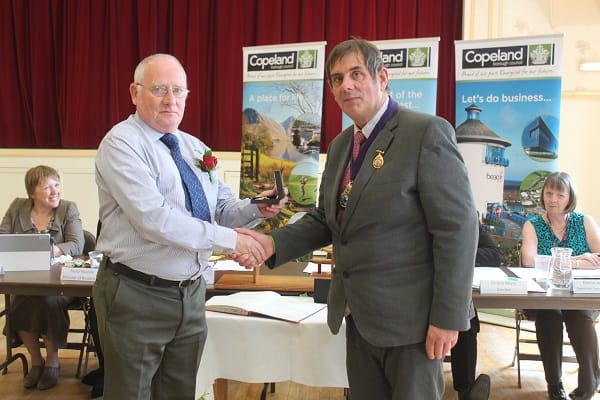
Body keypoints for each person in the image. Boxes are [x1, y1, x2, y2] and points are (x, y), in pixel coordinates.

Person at [235, 38, 478, 400]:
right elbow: (326, 219)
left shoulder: (425, 132)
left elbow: (458, 230)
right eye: (336, 79)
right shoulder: (340, 146)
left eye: (355, 74)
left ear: (382, 77)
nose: (345, 85)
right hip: (358, 318)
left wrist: (447, 317)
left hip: (413, 327)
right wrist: (273, 242)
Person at [93, 53, 286, 400]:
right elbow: (155, 219)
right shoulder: (121, 144)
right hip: (137, 294)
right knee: (130, 394)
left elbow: (222, 207)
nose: (171, 99)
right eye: (159, 89)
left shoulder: (194, 147)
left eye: (178, 90)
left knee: (181, 392)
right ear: (134, 93)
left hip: (191, 295)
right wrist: (233, 242)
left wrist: (258, 207)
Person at [0, 165, 84, 390]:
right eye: (47, 187)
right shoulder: (17, 207)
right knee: (21, 301)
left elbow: (77, 244)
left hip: (60, 282)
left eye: (57, 185)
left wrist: (45, 251)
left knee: (47, 301)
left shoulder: (68, 209)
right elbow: (3, 239)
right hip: (25, 278)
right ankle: (36, 360)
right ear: (31, 193)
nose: (55, 191)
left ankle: (52, 361)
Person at [521, 171, 600, 400]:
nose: (552, 198)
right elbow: (529, 260)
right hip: (542, 297)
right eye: (548, 192)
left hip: (580, 294)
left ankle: (589, 383)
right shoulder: (533, 225)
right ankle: (554, 385)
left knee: (579, 315)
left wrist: (554, 262)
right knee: (550, 315)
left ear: (569, 197)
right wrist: (576, 261)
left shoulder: (584, 221)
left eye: (559, 194)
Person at [451, 224, 501, 400]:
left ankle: (467, 391)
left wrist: (454, 253)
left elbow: (493, 255)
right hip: (415, 292)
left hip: (452, 293)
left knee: (465, 316)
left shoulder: (465, 214)